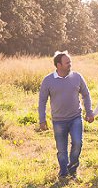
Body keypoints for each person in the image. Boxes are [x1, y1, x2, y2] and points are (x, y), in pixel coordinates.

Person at [38, 51, 94, 179]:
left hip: (75, 117)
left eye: (70, 62)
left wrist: (89, 111)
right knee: (62, 150)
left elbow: (86, 94)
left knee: (77, 143)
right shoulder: (48, 80)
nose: (70, 64)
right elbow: (42, 101)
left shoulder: (77, 77)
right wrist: (42, 119)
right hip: (58, 120)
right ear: (58, 65)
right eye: (67, 62)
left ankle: (73, 169)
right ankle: (63, 172)